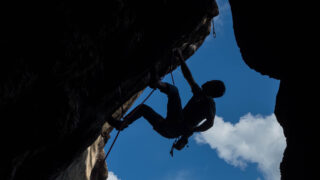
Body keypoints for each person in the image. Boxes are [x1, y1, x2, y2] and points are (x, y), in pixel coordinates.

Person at [109, 49, 225, 155]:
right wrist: (180, 58)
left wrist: (193, 129)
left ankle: (157, 83)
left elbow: (210, 123)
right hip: (168, 129)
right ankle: (121, 124)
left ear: (212, 89)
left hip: (177, 126)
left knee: (174, 92)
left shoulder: (209, 104)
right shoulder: (200, 93)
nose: (208, 81)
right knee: (143, 109)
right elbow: (188, 77)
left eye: (211, 82)